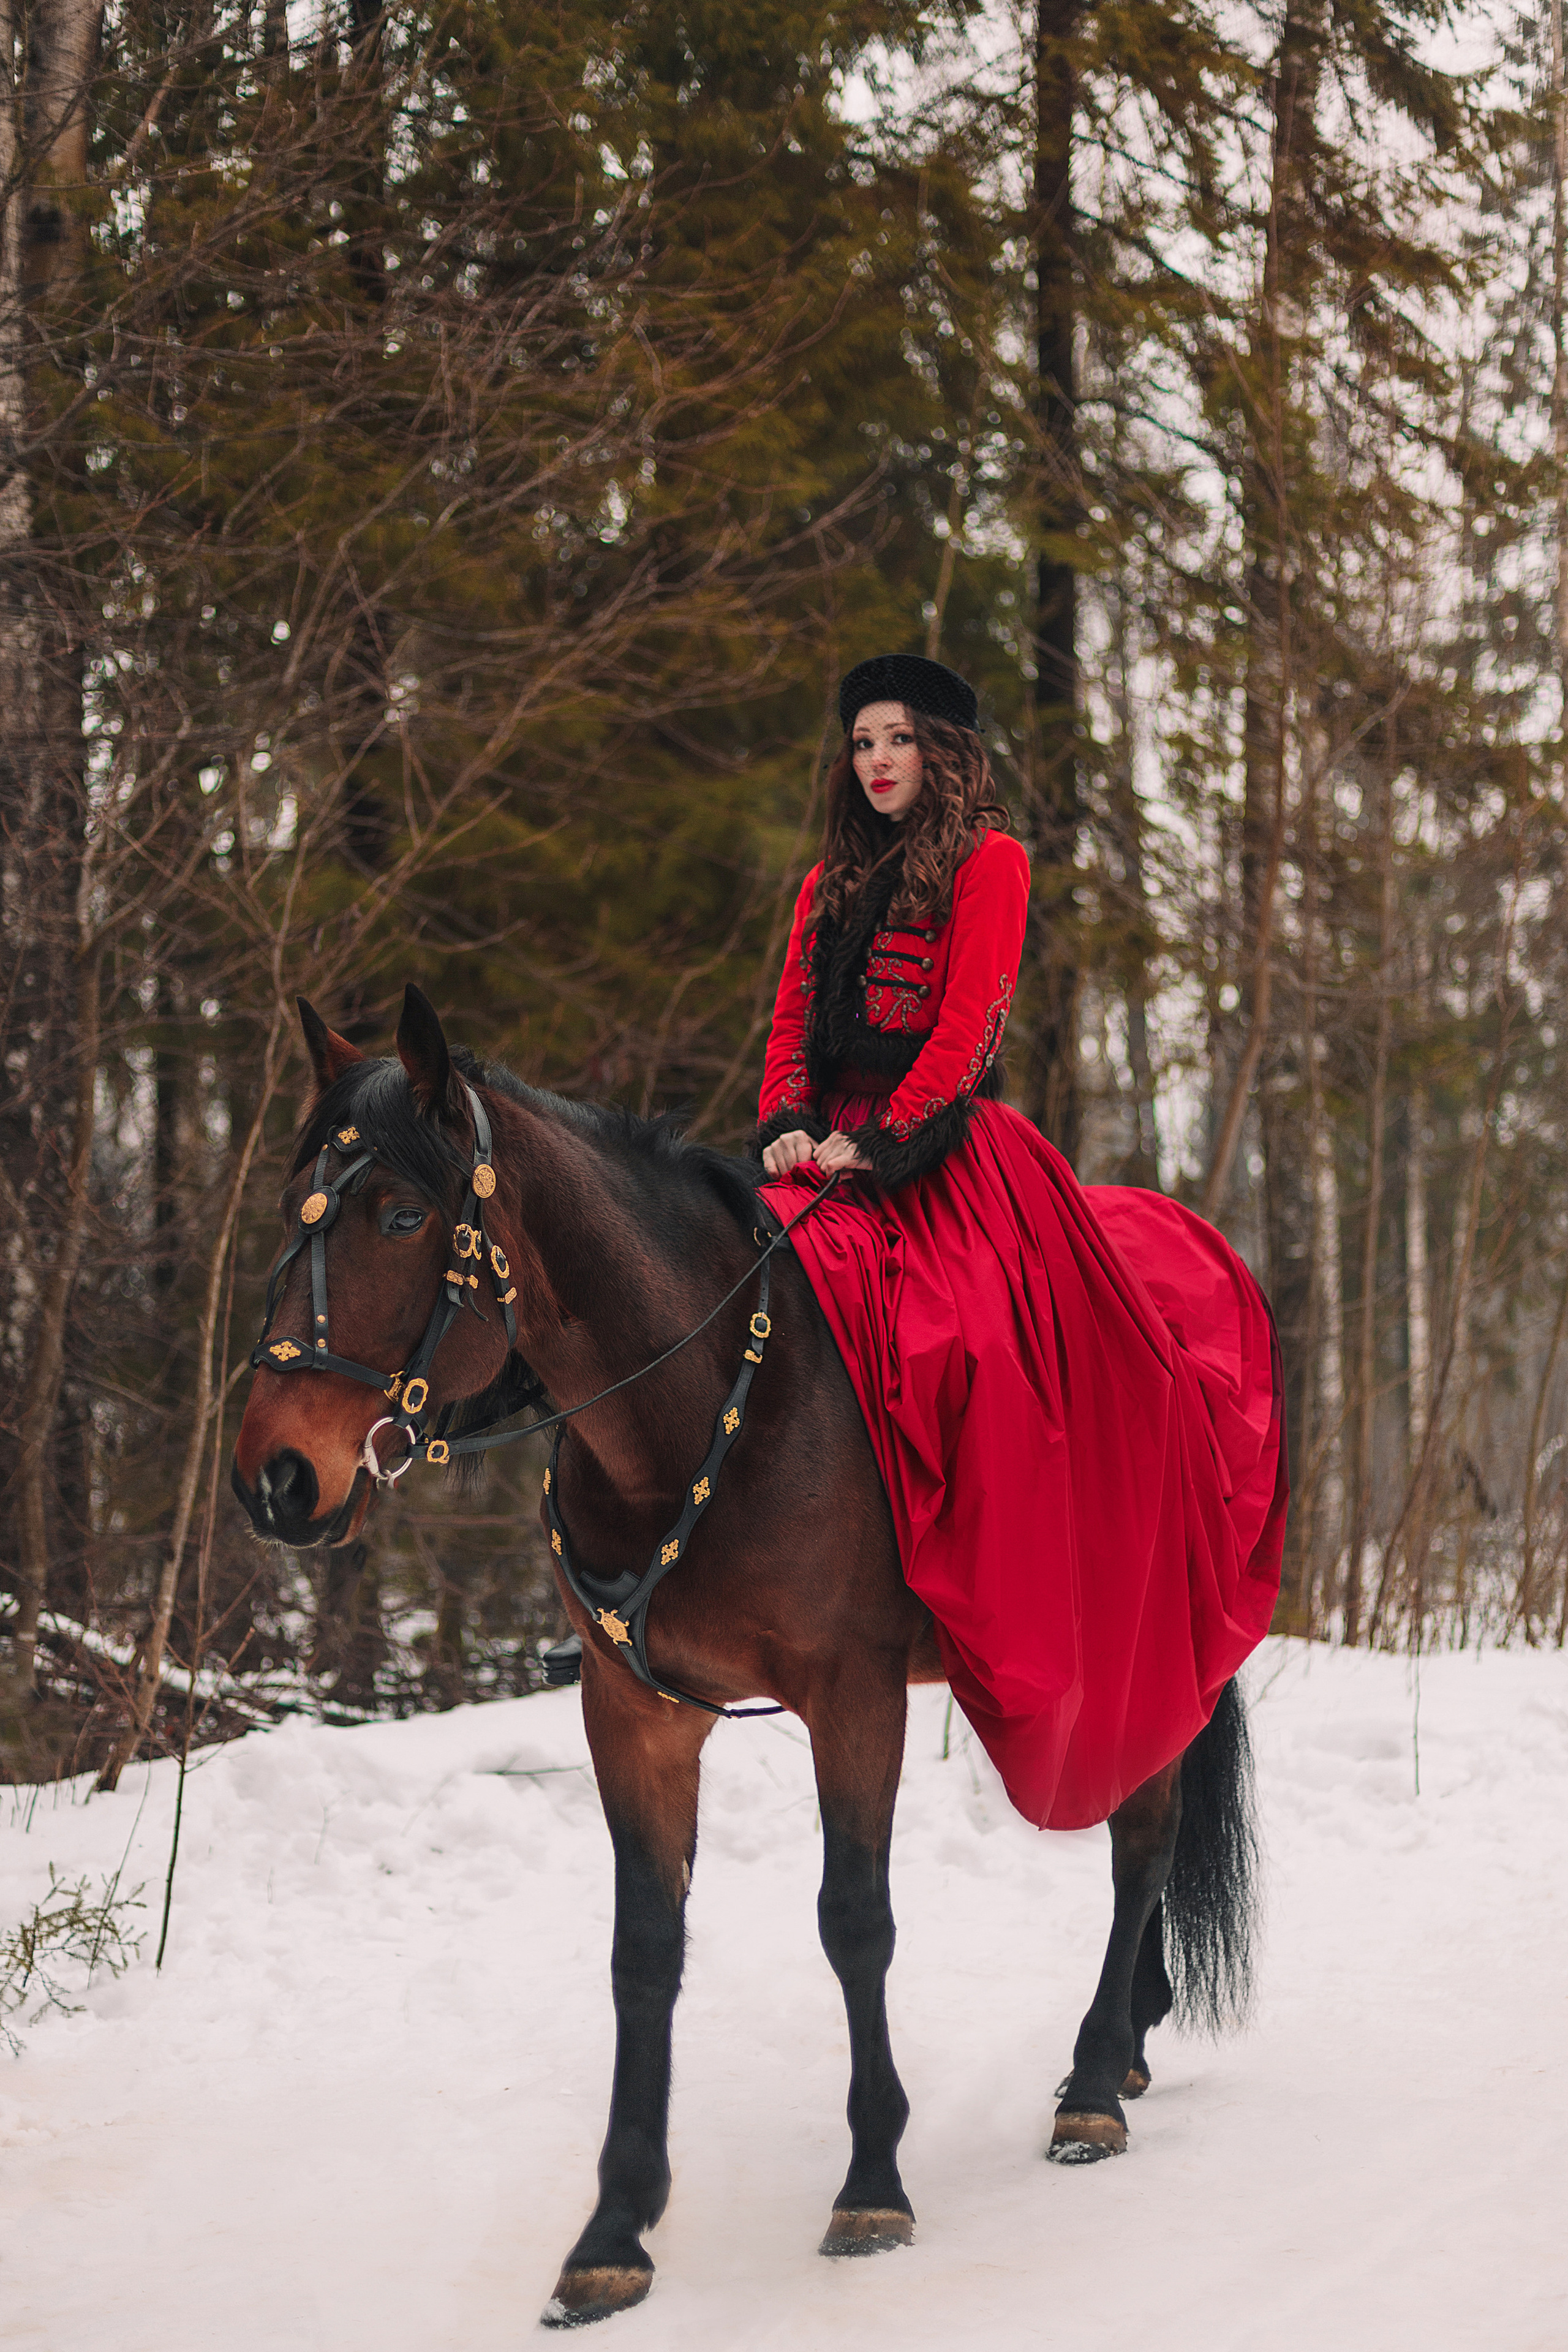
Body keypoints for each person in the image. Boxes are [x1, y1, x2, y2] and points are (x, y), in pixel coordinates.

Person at [753, 653, 1287, 1831]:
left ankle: (987, 1608)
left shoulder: (991, 865)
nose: (876, 760)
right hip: (826, 1154)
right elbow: (792, 1025)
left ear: (942, 752)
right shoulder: (825, 887)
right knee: (737, 1312)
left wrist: (880, 1145)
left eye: (898, 739)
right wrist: (790, 1124)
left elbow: (969, 1024)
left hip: (941, 1156)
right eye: (861, 743)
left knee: (974, 1347)